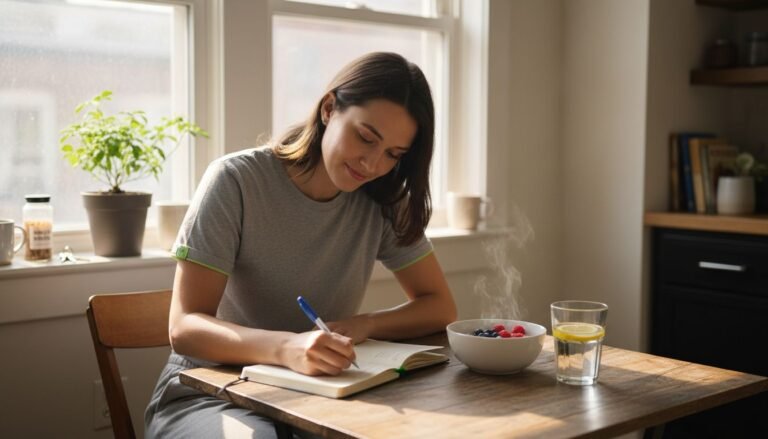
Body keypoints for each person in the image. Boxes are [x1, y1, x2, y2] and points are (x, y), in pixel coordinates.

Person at [145, 52, 457, 438]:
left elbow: (439, 306)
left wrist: (365, 325)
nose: (373, 164)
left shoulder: (383, 201)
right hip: (212, 391)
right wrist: (286, 348)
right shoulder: (236, 181)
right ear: (329, 109)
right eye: (365, 137)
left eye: (393, 154)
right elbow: (184, 327)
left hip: (318, 397)